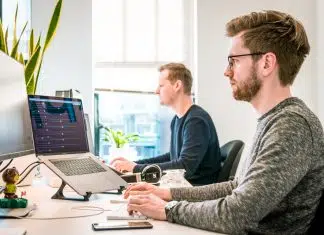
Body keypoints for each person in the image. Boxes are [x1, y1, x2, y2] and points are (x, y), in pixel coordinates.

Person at [123, 10, 324, 234]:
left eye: (234, 61)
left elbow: (238, 213)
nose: (226, 71)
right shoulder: (274, 120)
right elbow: (237, 187)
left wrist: (168, 209)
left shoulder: (292, 125)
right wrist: (168, 194)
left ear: (266, 63)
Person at [110, 63, 222, 185]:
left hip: (194, 191)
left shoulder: (196, 121)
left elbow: (184, 167)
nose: (157, 91)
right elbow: (172, 157)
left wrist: (136, 168)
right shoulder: (177, 119)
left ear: (177, 85)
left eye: (161, 86)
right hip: (182, 186)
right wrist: (136, 164)